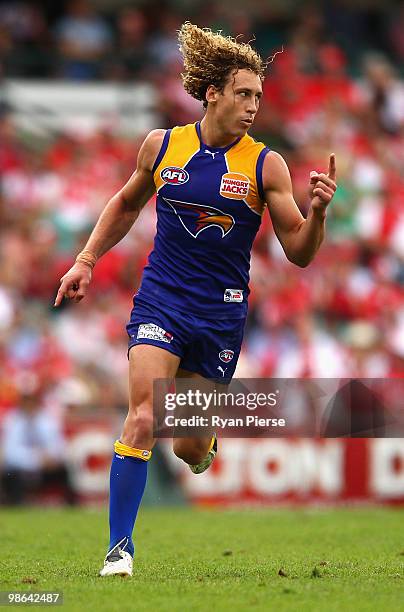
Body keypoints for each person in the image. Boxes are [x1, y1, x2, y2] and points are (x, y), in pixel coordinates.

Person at [54, 22, 337, 577]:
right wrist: (86, 259)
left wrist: (319, 214)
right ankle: (119, 551)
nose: (254, 105)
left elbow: (299, 253)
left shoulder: (265, 164)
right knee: (142, 416)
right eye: (243, 93)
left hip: (220, 315)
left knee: (185, 445)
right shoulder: (163, 146)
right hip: (161, 300)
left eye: (258, 95)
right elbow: (128, 202)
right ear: (213, 93)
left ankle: (203, 446)